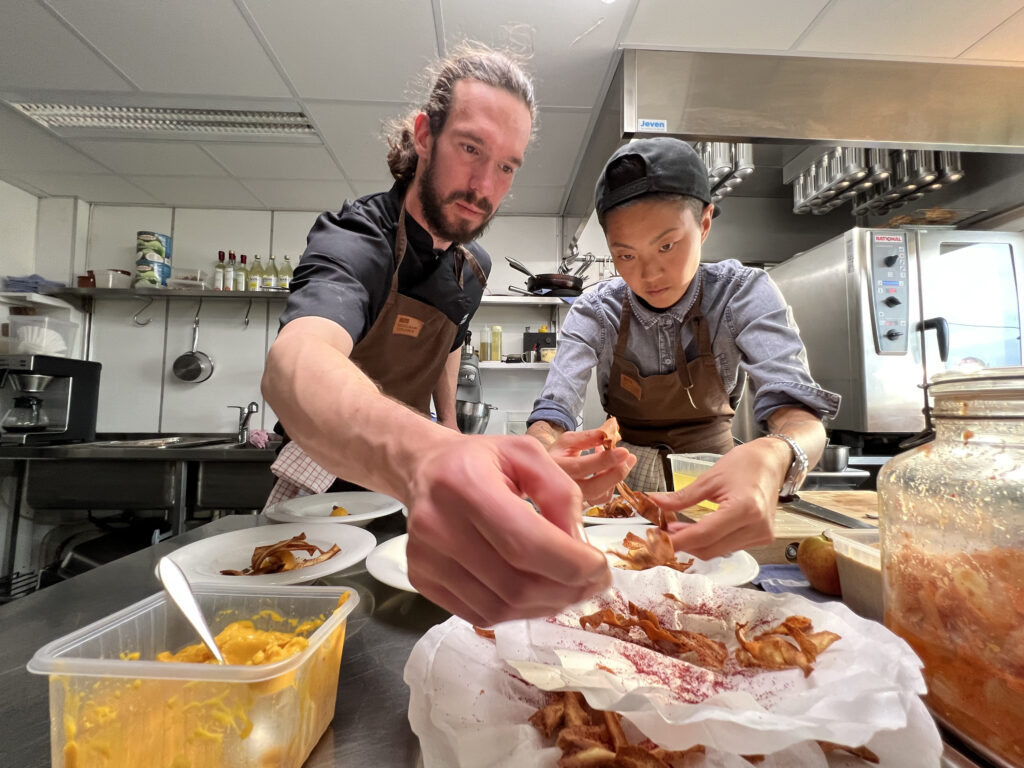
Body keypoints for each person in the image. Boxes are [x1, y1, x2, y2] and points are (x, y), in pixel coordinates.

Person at [261, 44, 633, 627]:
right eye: (469, 148)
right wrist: (433, 455)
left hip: (420, 481)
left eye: (507, 166)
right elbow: (297, 359)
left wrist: (453, 432)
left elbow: (450, 342)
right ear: (424, 137)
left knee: (408, 626)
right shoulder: (358, 237)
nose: (484, 183)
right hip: (324, 473)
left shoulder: (474, 267)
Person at [527, 137, 840, 561]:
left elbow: (799, 415)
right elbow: (555, 409)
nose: (649, 273)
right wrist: (540, 448)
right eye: (625, 255)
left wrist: (777, 452)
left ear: (705, 223)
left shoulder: (741, 294)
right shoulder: (596, 310)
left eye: (667, 246)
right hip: (623, 496)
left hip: (716, 485)